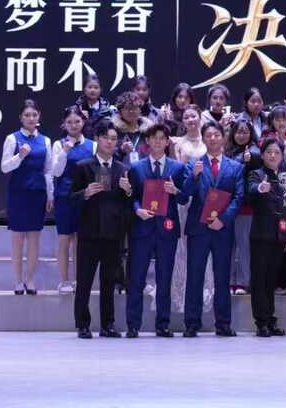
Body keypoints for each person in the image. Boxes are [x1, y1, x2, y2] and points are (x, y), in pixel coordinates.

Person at [180, 121, 245, 337]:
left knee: (222, 277)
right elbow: (184, 195)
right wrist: (194, 176)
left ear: (223, 137)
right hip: (198, 228)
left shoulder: (235, 167)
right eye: (208, 135)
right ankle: (192, 323)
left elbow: (238, 198)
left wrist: (223, 220)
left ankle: (223, 323)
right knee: (195, 276)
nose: (213, 138)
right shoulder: (194, 164)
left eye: (217, 135)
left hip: (222, 229)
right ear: (203, 138)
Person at [70, 119, 133, 338]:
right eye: (105, 137)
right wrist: (85, 194)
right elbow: (70, 198)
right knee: (84, 281)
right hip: (89, 233)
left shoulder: (123, 169)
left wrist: (128, 191)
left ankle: (108, 325)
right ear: (97, 139)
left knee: (109, 282)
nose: (109, 142)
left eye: (114, 138)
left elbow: (128, 204)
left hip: (113, 234)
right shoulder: (83, 166)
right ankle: (82, 324)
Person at [125, 122, 187, 338]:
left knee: (164, 278)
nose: (158, 142)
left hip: (166, 229)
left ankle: (163, 324)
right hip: (142, 227)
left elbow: (184, 198)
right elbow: (131, 197)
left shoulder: (177, 168)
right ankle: (133, 324)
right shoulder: (136, 168)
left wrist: (175, 190)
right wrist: (137, 210)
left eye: (162, 138)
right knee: (136, 278)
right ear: (147, 141)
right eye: (154, 138)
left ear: (168, 142)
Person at [1, 99, 54, 294]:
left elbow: (48, 170)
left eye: (34, 115)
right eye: (27, 115)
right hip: (18, 194)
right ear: (21, 118)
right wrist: (20, 156)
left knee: (34, 239)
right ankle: (17, 281)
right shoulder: (12, 139)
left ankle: (30, 280)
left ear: (39, 116)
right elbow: (4, 167)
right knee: (17, 239)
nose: (31, 118)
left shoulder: (46, 141)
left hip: (37, 194)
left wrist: (50, 195)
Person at [246, 138, 286, 337]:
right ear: (263, 155)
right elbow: (250, 191)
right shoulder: (256, 174)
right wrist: (260, 189)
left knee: (271, 280)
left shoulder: (285, 177)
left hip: (279, 236)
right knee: (259, 279)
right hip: (261, 235)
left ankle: (270, 319)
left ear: (282, 156)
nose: (273, 155)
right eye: (269, 152)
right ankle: (261, 322)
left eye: (277, 152)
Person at [170, 105, 210, 315]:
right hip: (185, 199)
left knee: (203, 246)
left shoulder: (209, 139)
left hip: (206, 199)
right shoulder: (178, 143)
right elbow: (176, 172)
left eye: (193, 115)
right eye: (186, 117)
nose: (190, 119)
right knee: (183, 246)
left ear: (200, 116)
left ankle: (205, 293)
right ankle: (181, 294)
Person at [50, 106, 94, 294]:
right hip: (64, 197)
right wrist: (64, 152)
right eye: (69, 122)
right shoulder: (58, 144)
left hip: (85, 197)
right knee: (64, 239)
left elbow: (95, 171)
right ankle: (63, 280)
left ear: (83, 122)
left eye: (77, 121)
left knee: (80, 241)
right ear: (64, 124)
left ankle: (78, 280)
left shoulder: (92, 145)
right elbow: (55, 171)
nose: (74, 125)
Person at [227, 116, 263, 296]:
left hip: (245, 207)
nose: (241, 135)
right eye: (238, 132)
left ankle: (243, 281)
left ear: (251, 133)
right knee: (229, 247)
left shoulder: (254, 152)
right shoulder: (229, 152)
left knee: (243, 247)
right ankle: (229, 281)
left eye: (245, 132)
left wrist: (246, 161)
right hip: (228, 206)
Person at [113, 91, 153, 169]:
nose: (131, 111)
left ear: (140, 110)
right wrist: (121, 150)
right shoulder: (113, 131)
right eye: (127, 108)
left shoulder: (150, 131)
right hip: (121, 174)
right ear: (120, 112)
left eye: (135, 107)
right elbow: (106, 157)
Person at [74, 73, 115, 138]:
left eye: (96, 88)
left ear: (100, 89)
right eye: (89, 87)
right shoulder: (76, 109)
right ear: (84, 89)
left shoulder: (108, 110)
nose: (92, 90)